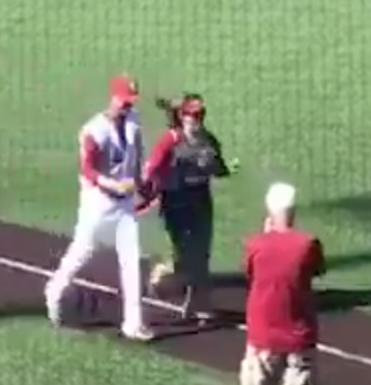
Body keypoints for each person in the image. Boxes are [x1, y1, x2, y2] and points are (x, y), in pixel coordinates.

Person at [45, 74, 153, 341]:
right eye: (125, 100)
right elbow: (87, 169)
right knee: (82, 252)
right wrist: (112, 184)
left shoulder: (133, 120)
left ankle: (133, 323)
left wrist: (140, 181)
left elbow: (137, 149)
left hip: (124, 205)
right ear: (113, 97)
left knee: (132, 259)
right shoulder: (94, 131)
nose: (128, 105)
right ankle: (55, 290)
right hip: (98, 204)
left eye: (131, 101)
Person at [240, 181, 327, 385]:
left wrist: (266, 235)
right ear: (294, 212)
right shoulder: (308, 244)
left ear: (269, 211)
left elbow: (250, 272)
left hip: (263, 337)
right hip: (300, 337)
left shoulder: (255, 244)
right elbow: (316, 270)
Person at [143, 94, 233, 323]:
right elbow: (151, 169)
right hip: (176, 202)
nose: (195, 120)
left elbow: (221, 170)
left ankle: (198, 303)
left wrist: (212, 166)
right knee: (184, 257)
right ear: (182, 117)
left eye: (199, 116)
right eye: (191, 116)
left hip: (201, 199)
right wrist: (151, 192)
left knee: (201, 253)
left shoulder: (208, 141)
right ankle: (161, 275)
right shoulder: (171, 140)